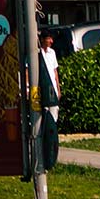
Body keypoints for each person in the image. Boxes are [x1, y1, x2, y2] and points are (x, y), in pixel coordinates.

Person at [35, 35, 62, 175]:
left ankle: (52, 144)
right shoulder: (37, 53)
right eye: (49, 39)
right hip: (43, 90)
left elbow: (55, 72)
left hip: (52, 90)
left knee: (53, 116)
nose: (51, 41)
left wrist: (58, 88)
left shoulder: (52, 53)